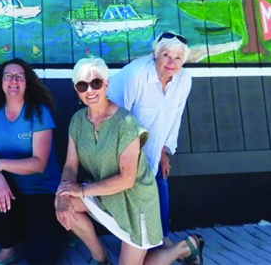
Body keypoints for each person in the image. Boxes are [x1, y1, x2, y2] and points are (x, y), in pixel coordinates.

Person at [56, 58, 203, 265]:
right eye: (83, 85)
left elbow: (127, 180)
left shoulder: (125, 122)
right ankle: (100, 259)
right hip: (104, 194)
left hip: (135, 203)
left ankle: (185, 248)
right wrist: (63, 194)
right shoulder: (78, 121)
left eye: (96, 83)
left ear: (106, 84)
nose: (90, 90)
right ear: (76, 90)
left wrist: (80, 191)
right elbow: (70, 166)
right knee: (63, 202)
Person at [0, 59, 65, 264]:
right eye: (8, 76)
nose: (13, 81)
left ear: (27, 82)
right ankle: (8, 248)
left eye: (19, 76)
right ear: (1, 82)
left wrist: (0, 165)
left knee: (41, 258)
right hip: (11, 192)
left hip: (43, 193)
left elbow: (39, 163)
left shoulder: (39, 112)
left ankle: (65, 230)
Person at [107, 32, 192, 246]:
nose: (171, 62)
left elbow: (175, 116)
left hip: (153, 145)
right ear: (155, 55)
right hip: (120, 141)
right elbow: (118, 117)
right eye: (166, 55)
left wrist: (163, 151)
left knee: (159, 178)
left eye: (178, 58)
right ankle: (137, 240)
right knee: (129, 188)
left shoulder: (184, 80)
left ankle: (162, 239)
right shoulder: (136, 75)